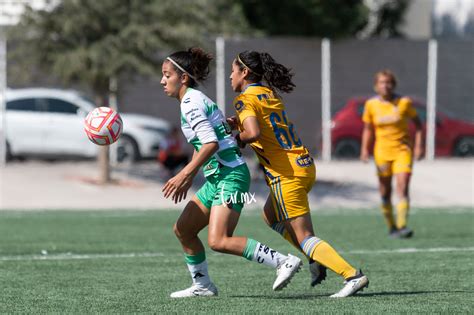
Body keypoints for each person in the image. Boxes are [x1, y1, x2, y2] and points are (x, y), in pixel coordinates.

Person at [160, 47, 302, 298]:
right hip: (218, 177)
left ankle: (283, 261)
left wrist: (185, 174)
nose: (162, 80)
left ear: (183, 78)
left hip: (232, 176)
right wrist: (193, 173)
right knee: (183, 229)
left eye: (166, 75)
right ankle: (202, 286)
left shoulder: (191, 103)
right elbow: (204, 144)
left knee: (219, 240)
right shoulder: (192, 99)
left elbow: (210, 144)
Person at [227, 50, 369, 298]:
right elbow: (266, 125)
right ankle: (315, 259)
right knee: (270, 216)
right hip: (303, 164)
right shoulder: (267, 93)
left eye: (232, 70)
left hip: (286, 173)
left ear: (244, 72)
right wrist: (238, 123)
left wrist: (237, 137)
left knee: (305, 237)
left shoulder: (244, 99)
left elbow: (253, 133)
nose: (230, 76)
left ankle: (352, 275)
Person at [360, 70, 423, 238]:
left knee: (402, 186)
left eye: (388, 82)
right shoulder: (371, 105)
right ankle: (392, 227)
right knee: (385, 191)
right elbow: (368, 129)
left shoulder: (404, 102)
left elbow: (418, 125)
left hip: (403, 151)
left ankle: (402, 226)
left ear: (393, 85)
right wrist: (364, 150)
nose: (385, 85)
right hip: (382, 153)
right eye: (382, 82)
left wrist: (418, 147)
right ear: (376, 86)